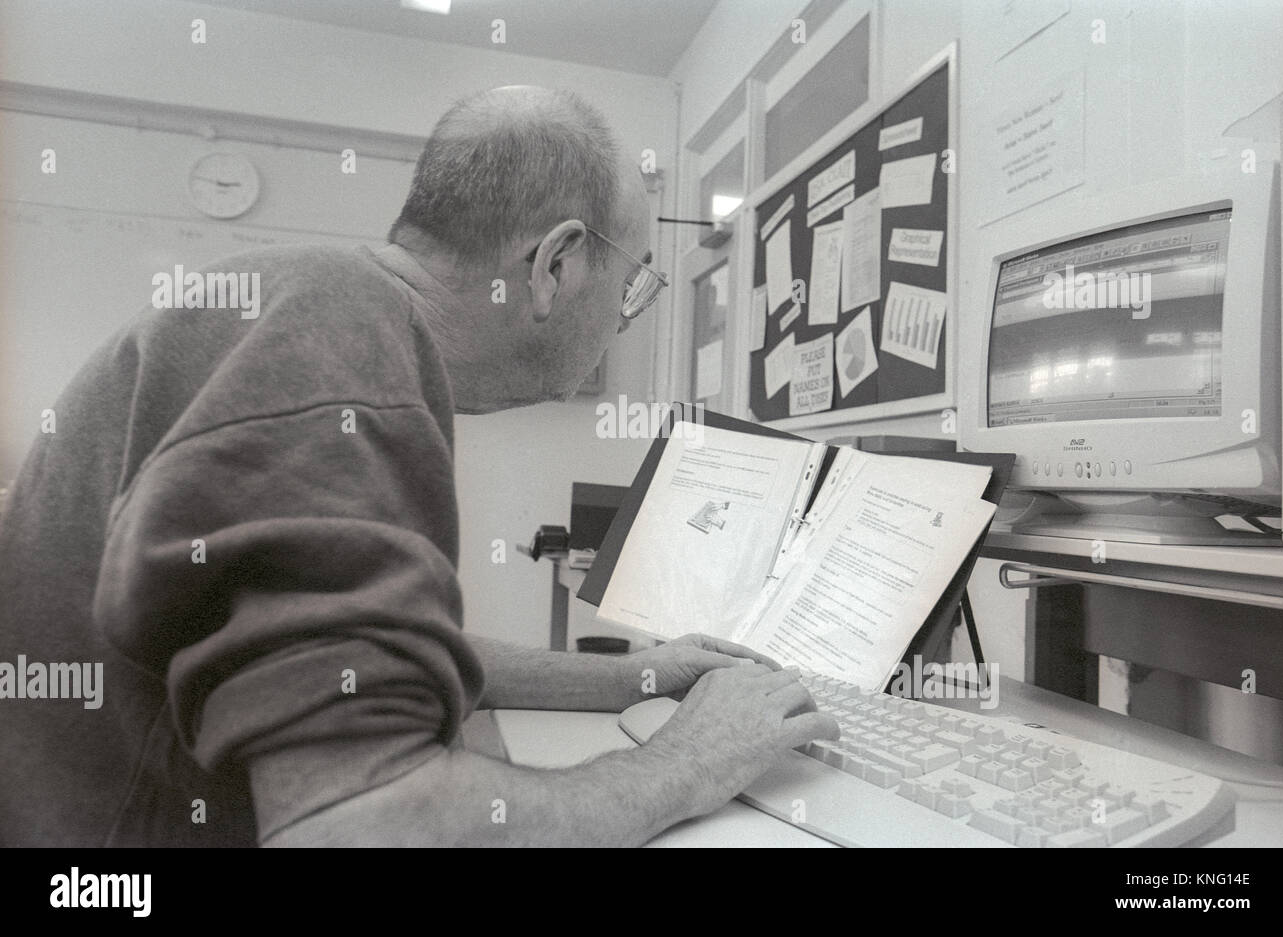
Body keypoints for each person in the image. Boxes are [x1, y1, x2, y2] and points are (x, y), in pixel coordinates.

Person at [0, 86, 837, 847]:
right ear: (555, 266)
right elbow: (365, 826)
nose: (623, 321)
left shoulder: (324, 311)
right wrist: (685, 765)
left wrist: (635, 676)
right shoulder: (337, 345)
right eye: (633, 288)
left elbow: (366, 654)